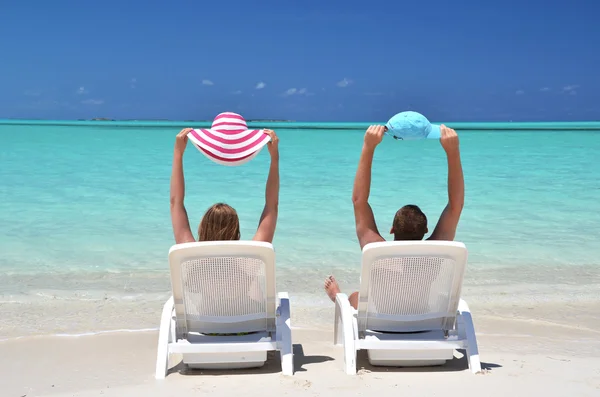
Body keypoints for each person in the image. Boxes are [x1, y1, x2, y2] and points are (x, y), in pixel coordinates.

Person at [324, 124, 464, 309]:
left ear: (392, 230)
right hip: (421, 324)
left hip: (380, 325)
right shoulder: (435, 255)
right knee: (361, 296)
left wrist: (369, 146)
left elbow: (359, 201)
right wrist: (452, 152)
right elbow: (456, 206)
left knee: (356, 297)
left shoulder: (375, 250)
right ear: (425, 231)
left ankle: (336, 297)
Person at [169, 127, 280, 244]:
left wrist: (178, 152)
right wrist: (274, 157)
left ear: (202, 228)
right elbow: (272, 206)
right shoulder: (252, 254)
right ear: (237, 231)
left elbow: (175, 202)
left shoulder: (189, 251)